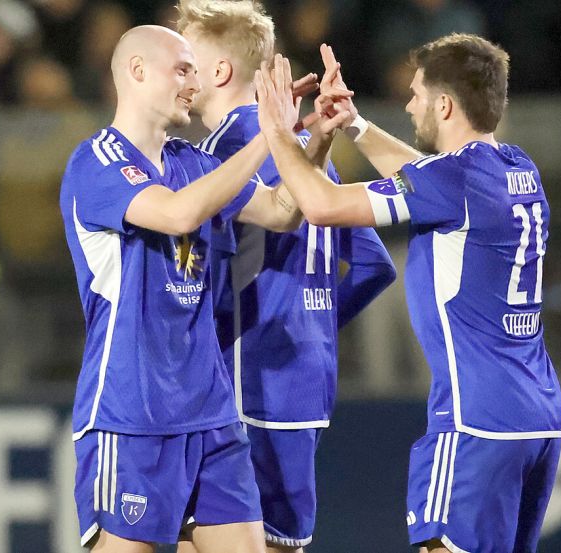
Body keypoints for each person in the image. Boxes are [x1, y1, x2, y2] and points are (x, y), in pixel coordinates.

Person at [255, 36, 561, 553]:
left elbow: (322, 205)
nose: (409, 104)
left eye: (417, 94)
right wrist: (354, 125)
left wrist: (276, 132)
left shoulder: (453, 181)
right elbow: (425, 181)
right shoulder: (515, 167)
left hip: (474, 420)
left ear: (444, 104)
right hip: (537, 418)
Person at [59, 25, 311, 553]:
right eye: (182, 69)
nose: (194, 83)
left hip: (211, 414)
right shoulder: (96, 162)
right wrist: (268, 133)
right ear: (137, 71)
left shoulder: (191, 162)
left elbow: (284, 212)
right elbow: (176, 214)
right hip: (131, 415)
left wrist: (316, 135)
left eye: (196, 71)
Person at [176, 2, 396, 551]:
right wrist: (312, 319)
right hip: (307, 377)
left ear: (219, 72)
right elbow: (374, 264)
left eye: (185, 60)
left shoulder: (224, 152)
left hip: (249, 384)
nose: (177, 73)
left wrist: (254, 325)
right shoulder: (304, 151)